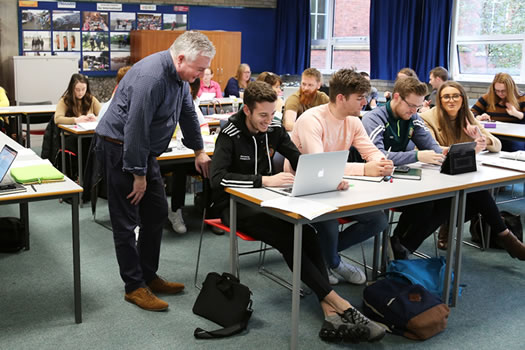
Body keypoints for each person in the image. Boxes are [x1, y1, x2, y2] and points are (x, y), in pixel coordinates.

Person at [210, 81, 385, 343]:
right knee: (289, 237)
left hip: (268, 202)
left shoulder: (275, 128)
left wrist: (329, 177)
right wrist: (263, 180)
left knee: (309, 234)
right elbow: (218, 179)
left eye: (272, 114)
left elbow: (303, 161)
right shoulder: (230, 133)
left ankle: (331, 314)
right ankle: (342, 305)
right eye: (263, 115)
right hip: (235, 206)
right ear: (246, 110)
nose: (268, 121)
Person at [94, 31, 215, 311]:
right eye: (199, 69)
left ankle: (148, 275)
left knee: (157, 212)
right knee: (126, 220)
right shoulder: (152, 78)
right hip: (119, 147)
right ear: (181, 58)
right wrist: (138, 175)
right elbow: (134, 128)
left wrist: (198, 150)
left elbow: (187, 113)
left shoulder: (181, 78)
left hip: (142, 149)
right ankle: (134, 286)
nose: (201, 74)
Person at [392, 81, 525, 261]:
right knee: (474, 195)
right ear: (439, 99)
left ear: (463, 99)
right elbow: (434, 148)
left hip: (459, 175)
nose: (451, 100)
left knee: (473, 194)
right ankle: (505, 235)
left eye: (456, 96)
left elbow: (497, 145)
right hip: (434, 176)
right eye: (446, 96)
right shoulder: (427, 117)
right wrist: (469, 149)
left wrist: (481, 139)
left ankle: (405, 248)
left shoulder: (467, 116)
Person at [285, 69, 393, 285]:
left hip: (335, 185)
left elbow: (370, 151)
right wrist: (364, 170)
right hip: (301, 186)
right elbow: (319, 165)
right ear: (341, 98)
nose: (364, 102)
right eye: (359, 98)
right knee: (329, 220)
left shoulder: (353, 121)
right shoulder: (311, 120)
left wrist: (382, 162)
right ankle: (333, 262)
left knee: (378, 219)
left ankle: (321, 254)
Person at [362, 76, 446, 258]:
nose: (414, 111)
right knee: (424, 203)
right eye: (411, 106)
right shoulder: (374, 118)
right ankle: (399, 247)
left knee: (443, 202)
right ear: (397, 97)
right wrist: (416, 155)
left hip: (401, 177)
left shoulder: (413, 117)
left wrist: (437, 154)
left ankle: (400, 245)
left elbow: (432, 146)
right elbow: (379, 156)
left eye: (418, 107)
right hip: (373, 179)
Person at [166, 77, 210, 234]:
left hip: (189, 153)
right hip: (166, 157)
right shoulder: (166, 105)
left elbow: (203, 128)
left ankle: (211, 211)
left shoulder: (192, 106)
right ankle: (175, 210)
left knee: (209, 166)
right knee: (179, 168)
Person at [471, 73, 525, 151]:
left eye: (503, 91)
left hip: (514, 137)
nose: (500, 94)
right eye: (497, 91)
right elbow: (471, 113)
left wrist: (517, 114)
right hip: (492, 134)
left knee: (513, 147)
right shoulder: (487, 98)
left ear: (511, 89)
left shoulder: (522, 98)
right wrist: (478, 117)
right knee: (480, 145)